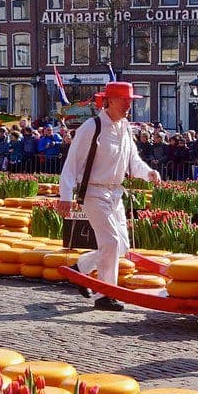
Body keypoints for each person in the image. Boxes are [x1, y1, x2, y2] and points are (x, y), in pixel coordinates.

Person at [59, 82, 160, 312]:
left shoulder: (125, 128)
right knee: (111, 242)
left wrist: (148, 173)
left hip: (115, 193)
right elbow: (71, 164)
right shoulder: (91, 128)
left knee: (121, 245)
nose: (129, 106)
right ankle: (105, 294)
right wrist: (65, 195)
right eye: (125, 101)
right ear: (111, 101)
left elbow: (133, 160)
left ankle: (80, 269)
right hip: (93, 192)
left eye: (131, 101)